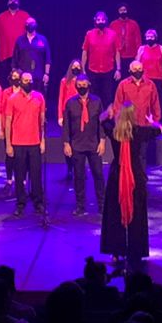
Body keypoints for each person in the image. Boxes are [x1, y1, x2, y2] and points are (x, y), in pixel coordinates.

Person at [99, 101, 151, 267]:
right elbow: (160, 129)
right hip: (135, 174)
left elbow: (101, 120)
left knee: (114, 212)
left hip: (117, 174)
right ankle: (136, 250)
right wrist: (151, 121)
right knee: (137, 213)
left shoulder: (114, 131)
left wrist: (108, 114)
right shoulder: (139, 132)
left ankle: (115, 251)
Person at [2, 70, 47, 218]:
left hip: (34, 142)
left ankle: (38, 202)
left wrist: (42, 140)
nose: (29, 83)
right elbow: (8, 122)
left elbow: (42, 122)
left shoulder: (39, 97)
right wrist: (8, 144)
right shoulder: (12, 99)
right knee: (20, 175)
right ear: (20, 82)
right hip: (18, 143)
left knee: (36, 175)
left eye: (30, 80)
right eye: (26, 80)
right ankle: (20, 204)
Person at [61, 73, 102, 217]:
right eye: (79, 85)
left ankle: (102, 205)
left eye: (84, 85)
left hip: (93, 145)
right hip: (77, 145)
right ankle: (80, 206)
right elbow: (66, 126)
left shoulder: (97, 102)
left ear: (89, 85)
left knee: (98, 175)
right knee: (79, 177)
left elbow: (100, 124)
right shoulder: (70, 103)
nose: (82, 88)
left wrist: (102, 141)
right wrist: (66, 143)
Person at [114, 59, 162, 172]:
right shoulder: (123, 85)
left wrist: (155, 122)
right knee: (128, 156)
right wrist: (119, 123)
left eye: (140, 69)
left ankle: (141, 181)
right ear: (130, 70)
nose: (137, 71)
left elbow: (156, 105)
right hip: (128, 126)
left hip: (144, 126)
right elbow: (117, 105)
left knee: (142, 155)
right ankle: (128, 180)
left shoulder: (150, 85)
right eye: (135, 69)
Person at [81, 12, 120, 110]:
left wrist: (118, 69)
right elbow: (85, 51)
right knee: (93, 95)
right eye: (98, 20)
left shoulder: (113, 34)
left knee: (108, 95)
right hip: (93, 70)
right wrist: (83, 69)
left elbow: (117, 52)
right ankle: (94, 116)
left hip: (108, 70)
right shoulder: (89, 34)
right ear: (95, 21)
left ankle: (108, 119)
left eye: (102, 20)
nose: (100, 21)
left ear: (106, 20)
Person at [16, 16, 52, 95]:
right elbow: (15, 59)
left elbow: (47, 59)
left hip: (38, 75)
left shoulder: (43, 40)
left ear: (35, 25)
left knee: (38, 97)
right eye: (27, 24)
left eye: (31, 23)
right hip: (24, 75)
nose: (29, 25)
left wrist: (47, 74)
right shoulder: (20, 40)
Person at [0, 0, 30, 68]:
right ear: (7, 3)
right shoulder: (1, 17)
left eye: (15, 0)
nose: (13, 2)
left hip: (21, 54)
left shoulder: (25, 16)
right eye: (11, 0)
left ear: (19, 3)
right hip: (5, 54)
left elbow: (30, 34)